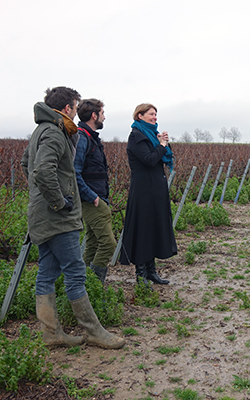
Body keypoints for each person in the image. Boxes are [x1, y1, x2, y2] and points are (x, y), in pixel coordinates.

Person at [21, 87, 125, 349]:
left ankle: (52, 333)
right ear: (67, 108)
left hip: (42, 215)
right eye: (75, 107)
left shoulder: (41, 130)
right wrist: (59, 200)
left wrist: (40, 196)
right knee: (76, 272)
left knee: (47, 272)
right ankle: (94, 332)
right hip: (57, 218)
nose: (77, 111)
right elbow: (43, 170)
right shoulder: (55, 133)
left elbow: (26, 164)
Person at [120, 104, 178, 284]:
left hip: (156, 190)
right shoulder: (136, 136)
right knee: (143, 229)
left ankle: (152, 271)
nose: (155, 118)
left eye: (156, 114)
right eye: (151, 114)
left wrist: (163, 143)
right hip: (143, 191)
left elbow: (160, 156)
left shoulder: (151, 135)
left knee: (154, 227)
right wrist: (161, 145)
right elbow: (150, 159)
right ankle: (141, 273)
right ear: (140, 116)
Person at [74, 99, 115, 284]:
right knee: (108, 244)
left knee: (92, 243)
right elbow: (74, 173)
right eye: (102, 113)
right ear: (94, 115)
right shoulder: (82, 137)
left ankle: (83, 286)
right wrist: (93, 198)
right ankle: (95, 285)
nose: (104, 117)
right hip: (91, 200)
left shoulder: (90, 137)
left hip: (97, 197)